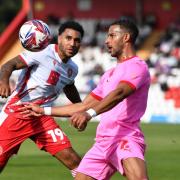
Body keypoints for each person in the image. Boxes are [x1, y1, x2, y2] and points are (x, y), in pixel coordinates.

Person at [20, 18, 150, 180]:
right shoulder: (108, 75)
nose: (106, 41)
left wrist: (89, 114)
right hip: (103, 142)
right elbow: (83, 105)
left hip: (125, 137)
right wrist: (43, 110)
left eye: (111, 36)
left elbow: (119, 93)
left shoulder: (137, 66)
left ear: (126, 38)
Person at [0, 20, 84, 177]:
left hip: (42, 118)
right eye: (68, 38)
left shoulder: (73, 69)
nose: (72, 43)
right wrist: (3, 81)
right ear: (59, 38)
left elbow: (69, 87)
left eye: (77, 40)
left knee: (76, 162)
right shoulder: (41, 52)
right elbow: (8, 65)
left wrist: (81, 109)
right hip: (17, 113)